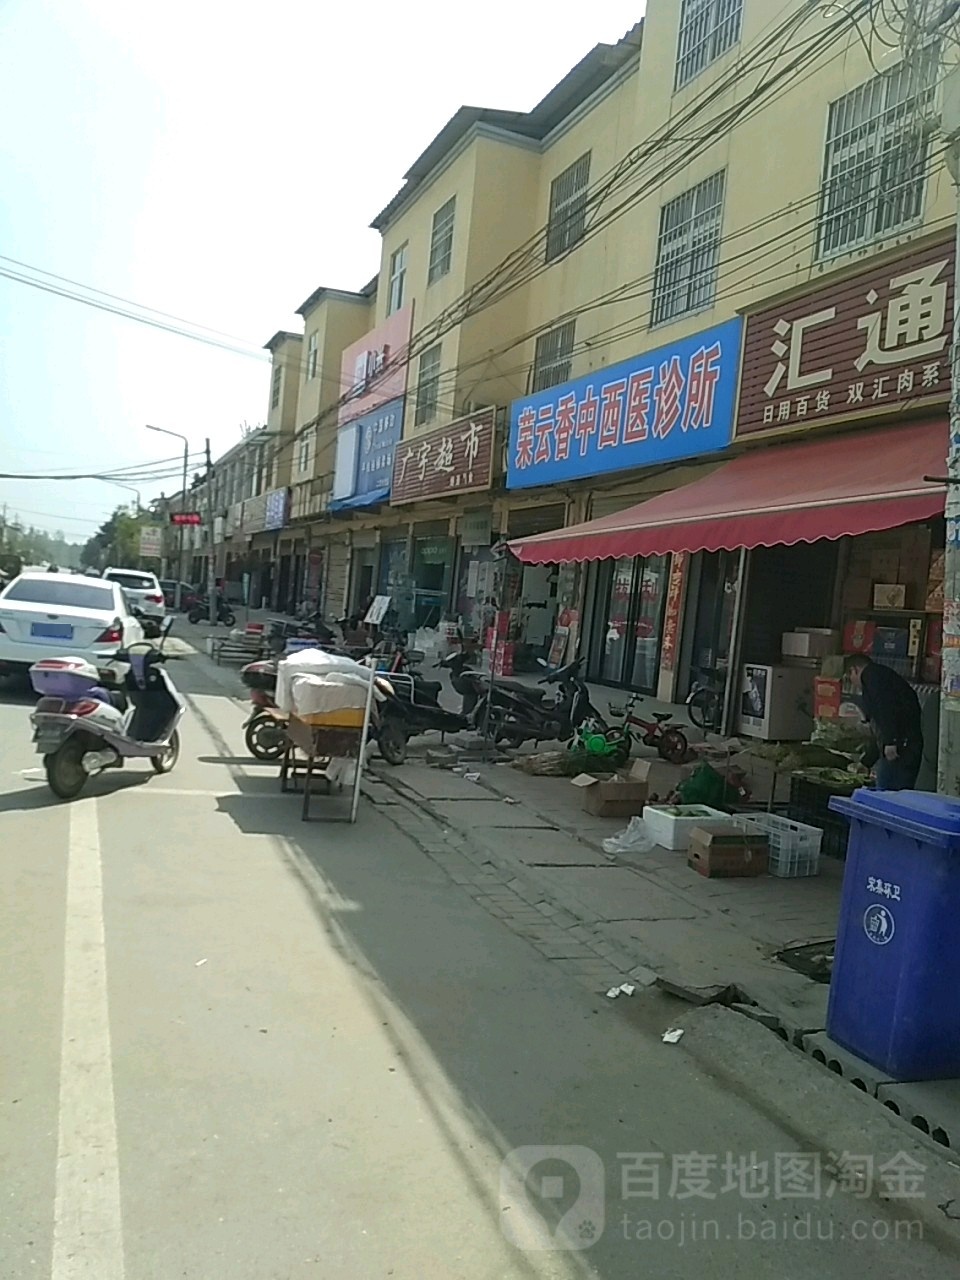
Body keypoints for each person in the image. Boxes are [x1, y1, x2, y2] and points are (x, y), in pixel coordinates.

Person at [845, 653, 922, 790]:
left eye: (850, 678)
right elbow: (880, 725)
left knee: (889, 793)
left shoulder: (871, 676)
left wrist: (890, 741)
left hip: (901, 748)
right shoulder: (882, 678)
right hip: (905, 745)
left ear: (854, 670)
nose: (855, 685)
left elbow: (885, 708)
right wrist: (866, 761)